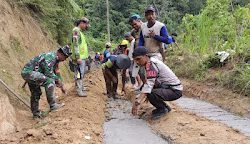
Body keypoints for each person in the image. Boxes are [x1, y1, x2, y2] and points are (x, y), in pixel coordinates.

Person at [131, 47, 183, 120]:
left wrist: (138, 101)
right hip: (168, 87)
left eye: (138, 59)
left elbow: (149, 85)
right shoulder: (150, 62)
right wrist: (140, 95)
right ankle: (165, 107)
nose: (137, 62)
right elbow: (149, 83)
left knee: (150, 92)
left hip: (174, 90)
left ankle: (162, 109)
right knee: (146, 90)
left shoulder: (151, 64)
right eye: (135, 60)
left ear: (146, 56)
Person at [21, 45, 72, 119]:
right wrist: (57, 81)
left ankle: (36, 114)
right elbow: (49, 73)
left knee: (36, 93)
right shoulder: (51, 57)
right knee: (49, 81)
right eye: (65, 57)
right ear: (60, 53)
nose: (65, 59)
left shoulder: (56, 61)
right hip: (29, 73)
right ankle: (53, 105)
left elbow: (57, 73)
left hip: (33, 74)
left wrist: (61, 85)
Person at [71, 17, 90, 97]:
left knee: (81, 72)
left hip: (82, 57)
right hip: (79, 57)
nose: (86, 26)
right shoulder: (76, 30)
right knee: (79, 73)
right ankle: (79, 90)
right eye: (86, 24)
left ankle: (81, 87)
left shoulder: (80, 32)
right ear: (82, 23)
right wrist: (78, 57)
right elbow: (75, 44)